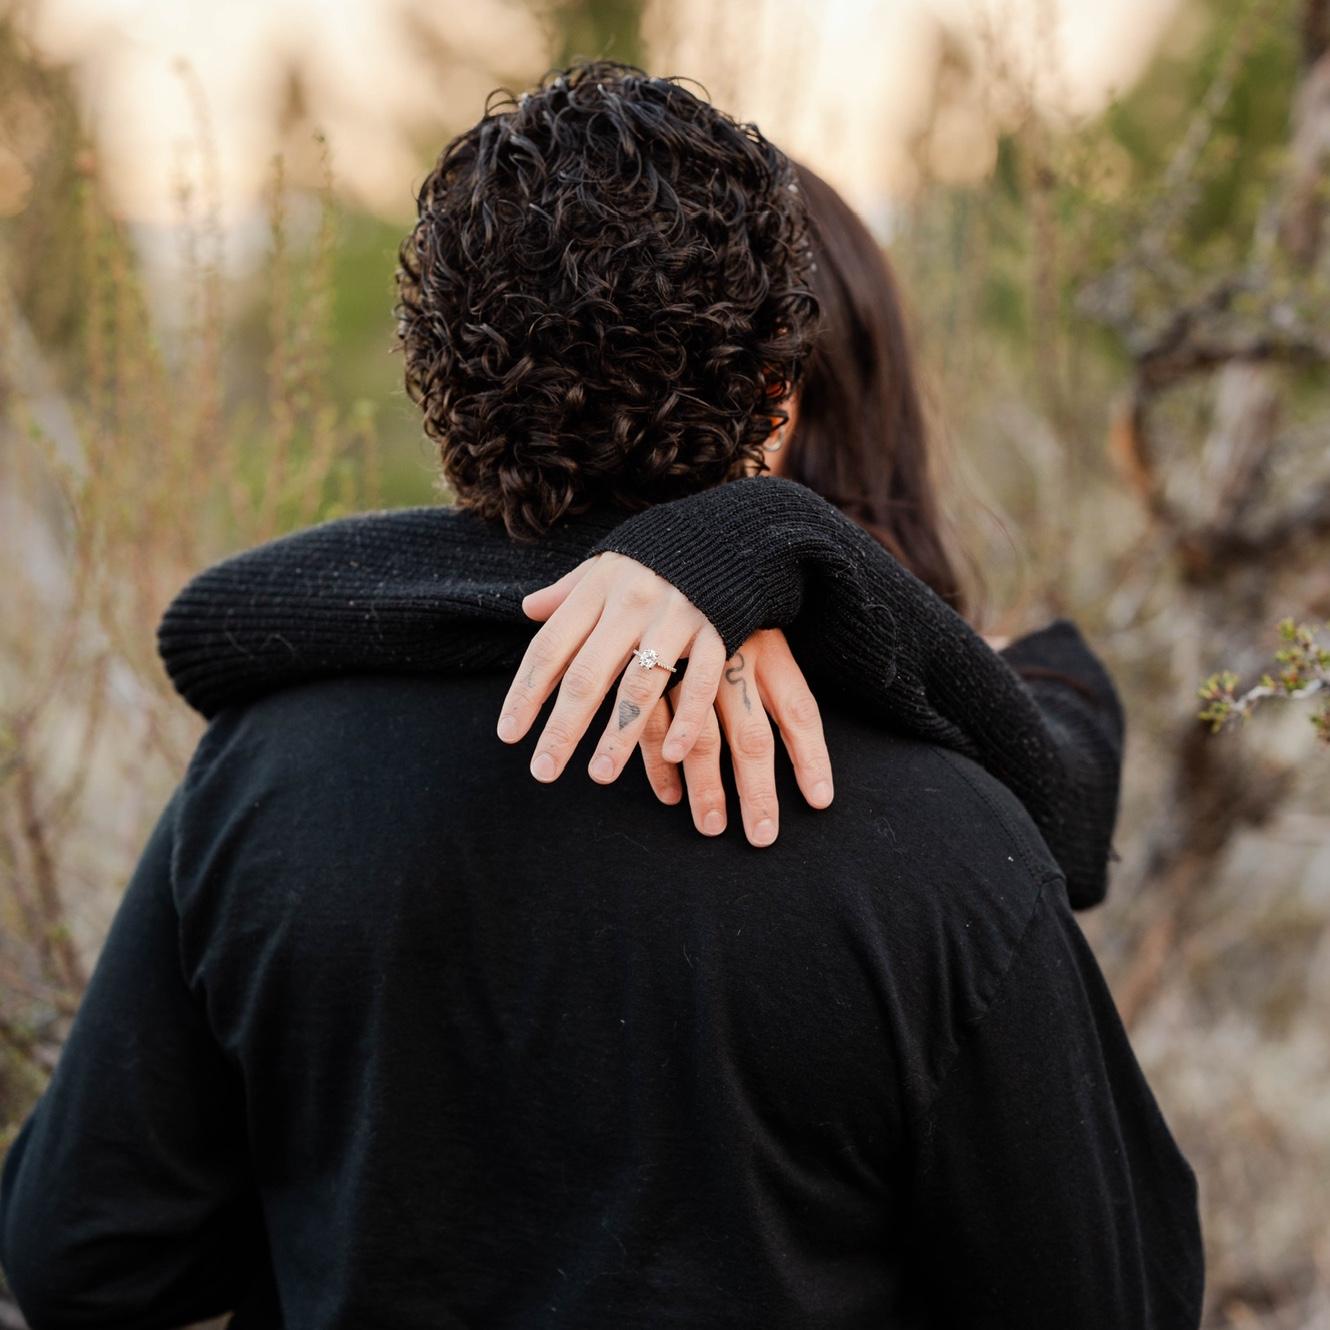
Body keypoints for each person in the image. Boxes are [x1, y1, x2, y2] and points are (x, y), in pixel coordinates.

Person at [0, 63, 1203, 1329]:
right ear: (777, 397)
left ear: (442, 393)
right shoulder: (947, 845)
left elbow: (80, 1253)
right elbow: (1117, 1294)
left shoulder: (255, 782)